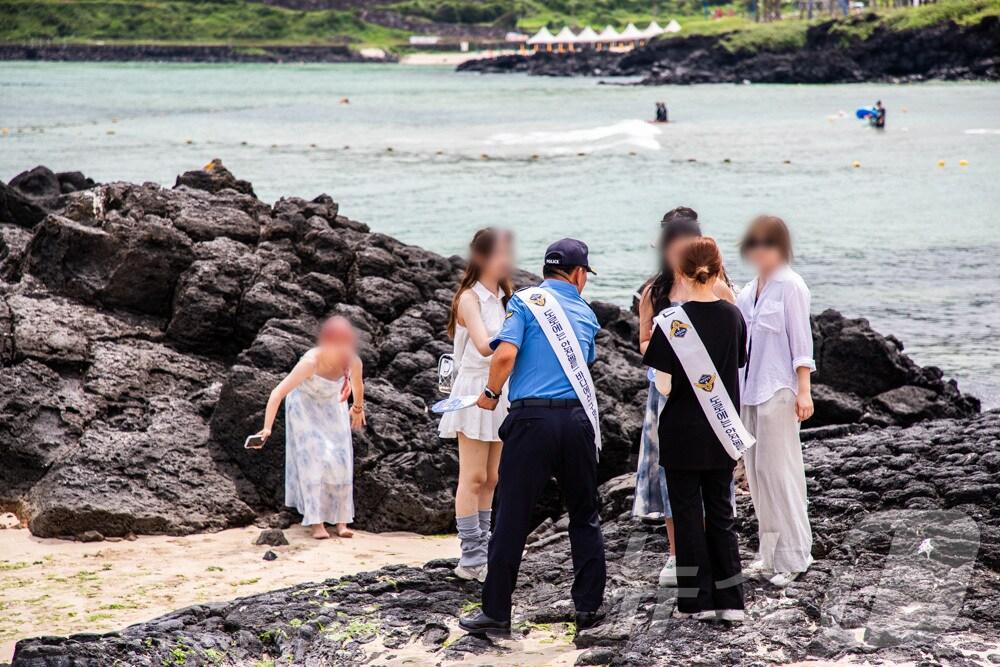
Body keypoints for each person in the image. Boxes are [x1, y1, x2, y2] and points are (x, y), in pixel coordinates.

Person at [459, 238, 606, 634]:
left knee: (511, 518)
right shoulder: (586, 312)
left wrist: (490, 395)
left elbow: (505, 354)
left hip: (531, 422)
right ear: (578, 274)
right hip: (576, 423)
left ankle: (496, 612)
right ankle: (588, 609)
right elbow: (586, 362)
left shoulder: (524, 303)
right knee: (584, 516)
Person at [643, 237, 747, 622]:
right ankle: (732, 602)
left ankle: (695, 602)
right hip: (722, 430)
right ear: (717, 269)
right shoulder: (735, 317)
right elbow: (736, 364)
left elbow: (664, 385)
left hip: (683, 432)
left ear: (682, 274)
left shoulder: (672, 322)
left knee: (686, 516)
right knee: (722, 512)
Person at [736, 215, 814, 588]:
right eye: (754, 243)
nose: (759, 250)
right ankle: (769, 554)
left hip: (779, 389)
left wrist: (805, 390)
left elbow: (802, 343)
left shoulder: (791, 286)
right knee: (757, 474)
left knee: (781, 472)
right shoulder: (749, 289)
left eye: (766, 243)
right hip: (748, 391)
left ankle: (795, 556)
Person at [440, 228, 515, 582]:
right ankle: (470, 557)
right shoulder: (469, 298)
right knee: (472, 477)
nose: (507, 260)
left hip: (499, 389)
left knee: (492, 478)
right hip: (473, 390)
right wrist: (523, 331)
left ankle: (482, 552)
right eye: (502, 253)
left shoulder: (503, 295)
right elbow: (486, 347)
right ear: (483, 257)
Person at [256, 316, 366, 540]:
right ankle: (317, 523)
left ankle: (341, 522)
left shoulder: (353, 361)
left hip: (332, 404)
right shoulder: (310, 363)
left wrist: (357, 408)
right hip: (304, 407)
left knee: (341, 459)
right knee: (314, 457)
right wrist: (267, 428)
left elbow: (358, 385)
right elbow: (277, 393)